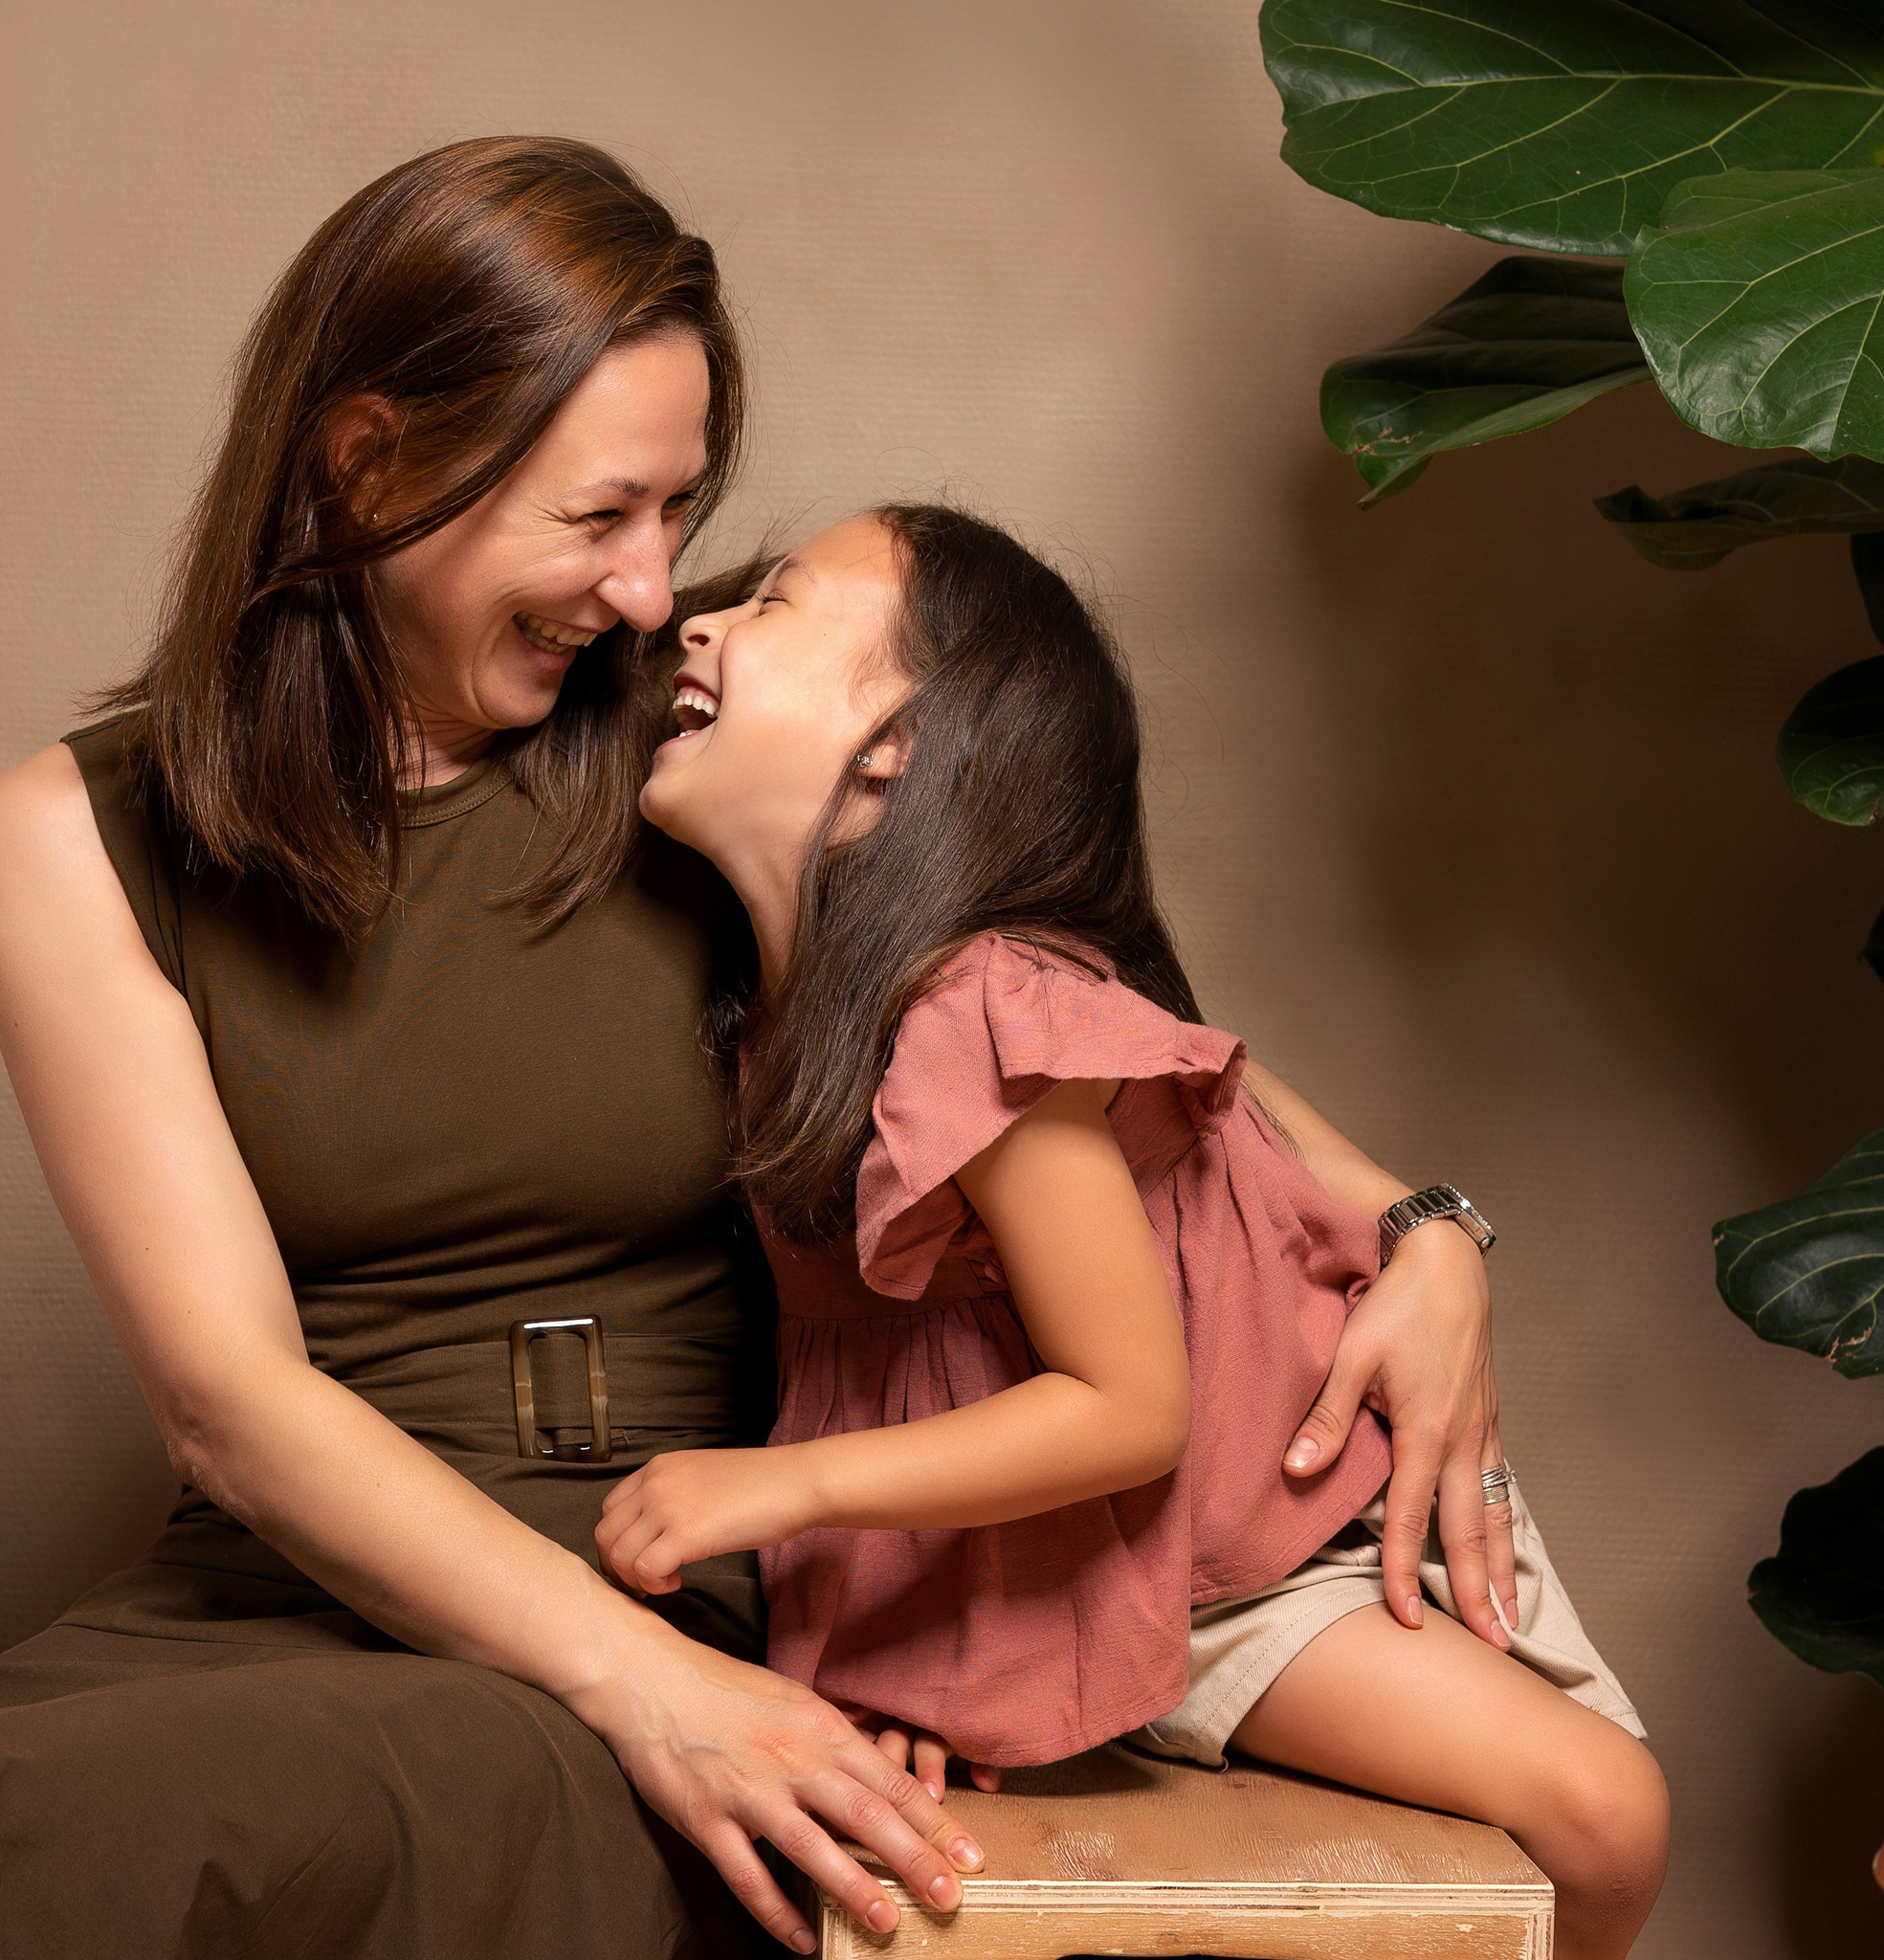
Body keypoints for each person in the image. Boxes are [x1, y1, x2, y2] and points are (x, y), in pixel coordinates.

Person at [0, 144, 1515, 1960]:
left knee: (23, 1829)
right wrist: (647, 1695)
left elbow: (1070, 1028)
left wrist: (1426, 1229)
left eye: (678, 509)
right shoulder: (67, 835)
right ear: (367, 468)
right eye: (599, 515)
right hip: (312, 1593)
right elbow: (231, 1408)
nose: (648, 584)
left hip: (687, 1571)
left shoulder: (702, 737)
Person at [610, 504, 1673, 1958]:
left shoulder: (984, 1002)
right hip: (1062, 1549)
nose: (702, 620)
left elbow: (1127, 1409)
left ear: (901, 741)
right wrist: (894, 1651)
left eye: (777, 606)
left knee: (1609, 1814)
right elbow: (891, 1363)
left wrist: (768, 1495)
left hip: (1276, 1537)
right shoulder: (782, 1022)